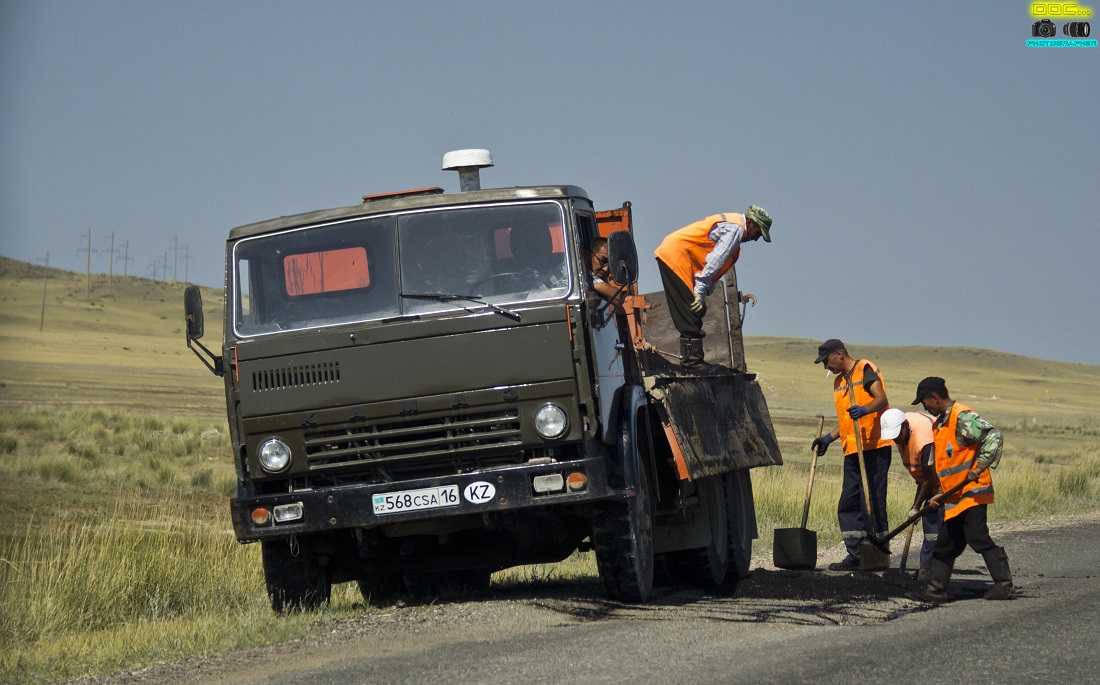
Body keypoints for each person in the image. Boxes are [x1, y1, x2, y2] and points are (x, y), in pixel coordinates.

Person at [908, 377, 1015, 602]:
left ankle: (1004, 586)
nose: (924, 407)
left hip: (973, 492)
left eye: (924, 402)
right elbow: (950, 466)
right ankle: (935, 591)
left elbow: (994, 436)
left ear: (935, 397)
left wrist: (980, 466)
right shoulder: (940, 425)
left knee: (977, 536)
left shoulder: (962, 417)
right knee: (946, 543)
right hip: (955, 496)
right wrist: (939, 493)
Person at [653, 205, 772, 367]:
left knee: (697, 309)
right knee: (690, 310)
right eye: (758, 232)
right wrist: (700, 290)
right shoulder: (735, 229)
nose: (756, 238)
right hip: (676, 255)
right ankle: (692, 362)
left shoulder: (735, 230)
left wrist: (703, 292)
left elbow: (716, 266)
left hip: (680, 257)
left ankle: (694, 359)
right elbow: (715, 260)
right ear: (750, 222)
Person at [810, 339, 891, 570]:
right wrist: (828, 438)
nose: (826, 366)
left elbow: (881, 399)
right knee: (848, 502)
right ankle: (855, 555)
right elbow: (847, 421)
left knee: (873, 502)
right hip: (852, 450)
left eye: (827, 361)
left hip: (874, 447)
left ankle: (877, 554)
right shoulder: (839, 381)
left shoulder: (865, 369)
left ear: (839, 354)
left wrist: (865, 409)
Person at [879, 407, 943, 583]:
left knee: (948, 528)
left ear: (905, 426)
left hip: (945, 482)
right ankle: (926, 571)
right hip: (929, 481)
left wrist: (916, 507)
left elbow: (930, 478)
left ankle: (934, 574)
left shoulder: (924, 439)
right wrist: (915, 506)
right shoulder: (900, 430)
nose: (896, 439)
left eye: (897, 435)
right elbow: (924, 478)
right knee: (931, 531)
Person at [587, 237, 622, 303]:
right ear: (588, 255)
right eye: (602, 261)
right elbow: (616, 296)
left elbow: (618, 299)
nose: (606, 269)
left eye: (611, 265)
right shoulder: (577, 274)